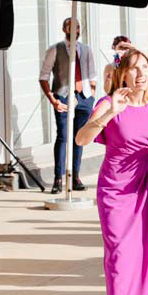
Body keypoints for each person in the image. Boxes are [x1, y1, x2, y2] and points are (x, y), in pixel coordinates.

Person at [74, 49, 148, 295]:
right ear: (122, 74)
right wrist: (112, 111)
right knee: (120, 258)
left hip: (147, 185)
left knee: (144, 256)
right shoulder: (108, 102)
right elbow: (81, 139)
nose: (141, 74)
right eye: (134, 69)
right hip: (115, 188)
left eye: (146, 68)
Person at [39, 17, 103, 193]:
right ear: (64, 29)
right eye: (70, 26)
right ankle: (58, 178)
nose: (75, 29)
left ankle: (75, 176)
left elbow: (93, 74)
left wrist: (91, 95)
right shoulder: (55, 49)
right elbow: (43, 76)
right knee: (63, 137)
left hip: (84, 98)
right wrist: (53, 99)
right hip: (63, 97)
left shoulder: (86, 49)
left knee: (79, 138)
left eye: (77, 26)